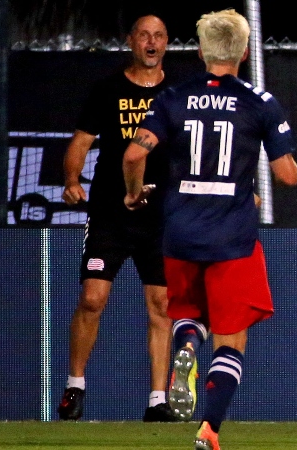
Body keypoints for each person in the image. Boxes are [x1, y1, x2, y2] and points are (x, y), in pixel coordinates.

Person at [122, 8, 297, 450]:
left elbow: (133, 155)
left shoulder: (173, 97)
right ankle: (209, 430)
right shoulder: (259, 101)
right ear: (243, 54)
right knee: (231, 339)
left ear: (200, 52)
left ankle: (186, 348)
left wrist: (133, 194)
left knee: (188, 314)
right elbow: (287, 176)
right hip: (232, 237)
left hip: (180, 231)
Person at [57, 13, 176, 422]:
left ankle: (158, 400)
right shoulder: (107, 89)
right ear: (131, 41)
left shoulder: (176, 93)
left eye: (158, 36)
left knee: (161, 304)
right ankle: (75, 386)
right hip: (110, 212)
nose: (151, 42)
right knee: (93, 298)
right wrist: (72, 179)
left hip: (160, 216)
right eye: (144, 35)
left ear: (166, 43)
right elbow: (80, 143)